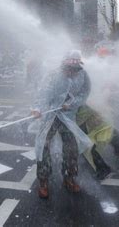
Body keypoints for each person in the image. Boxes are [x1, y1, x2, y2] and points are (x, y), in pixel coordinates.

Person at [31, 51, 93, 199]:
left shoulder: (83, 75)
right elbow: (42, 94)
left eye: (75, 69)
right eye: (69, 69)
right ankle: (43, 181)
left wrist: (71, 103)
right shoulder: (52, 76)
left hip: (68, 116)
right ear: (63, 65)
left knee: (71, 148)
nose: (72, 72)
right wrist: (38, 109)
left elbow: (84, 93)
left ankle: (69, 178)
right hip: (50, 116)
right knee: (43, 147)